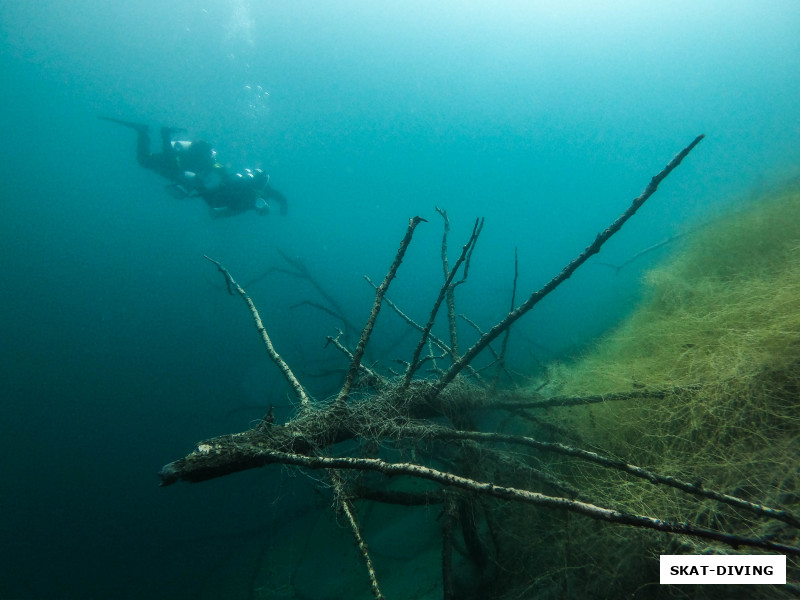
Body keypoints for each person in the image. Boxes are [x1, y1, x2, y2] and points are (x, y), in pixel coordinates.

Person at [99, 116, 288, 217]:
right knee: (147, 162)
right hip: (179, 162)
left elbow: (223, 177)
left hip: (182, 163)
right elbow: (222, 180)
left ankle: (150, 133)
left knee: (157, 163)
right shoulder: (247, 185)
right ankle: (146, 132)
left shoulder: (242, 181)